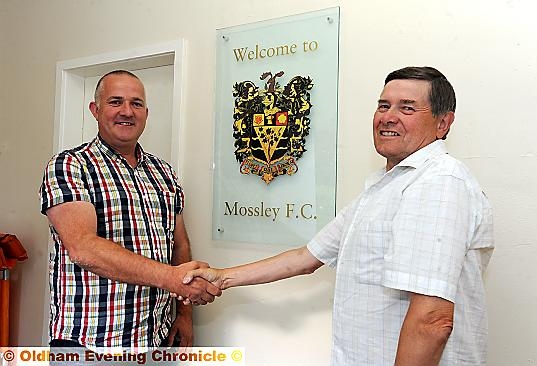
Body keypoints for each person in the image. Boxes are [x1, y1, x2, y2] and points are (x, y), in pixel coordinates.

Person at [181, 66, 494, 365]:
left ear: (443, 123)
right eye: (384, 105)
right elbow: (306, 257)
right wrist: (222, 276)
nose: (389, 117)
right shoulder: (385, 186)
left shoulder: (439, 183)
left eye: (407, 108)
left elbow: (433, 319)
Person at [39, 70, 221, 352]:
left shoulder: (164, 172)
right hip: (90, 343)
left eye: (136, 103)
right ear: (95, 110)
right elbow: (83, 248)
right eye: (115, 102)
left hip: (155, 339)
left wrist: (184, 315)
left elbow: (179, 243)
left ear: (146, 113)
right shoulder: (69, 166)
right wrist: (173, 279)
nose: (127, 111)